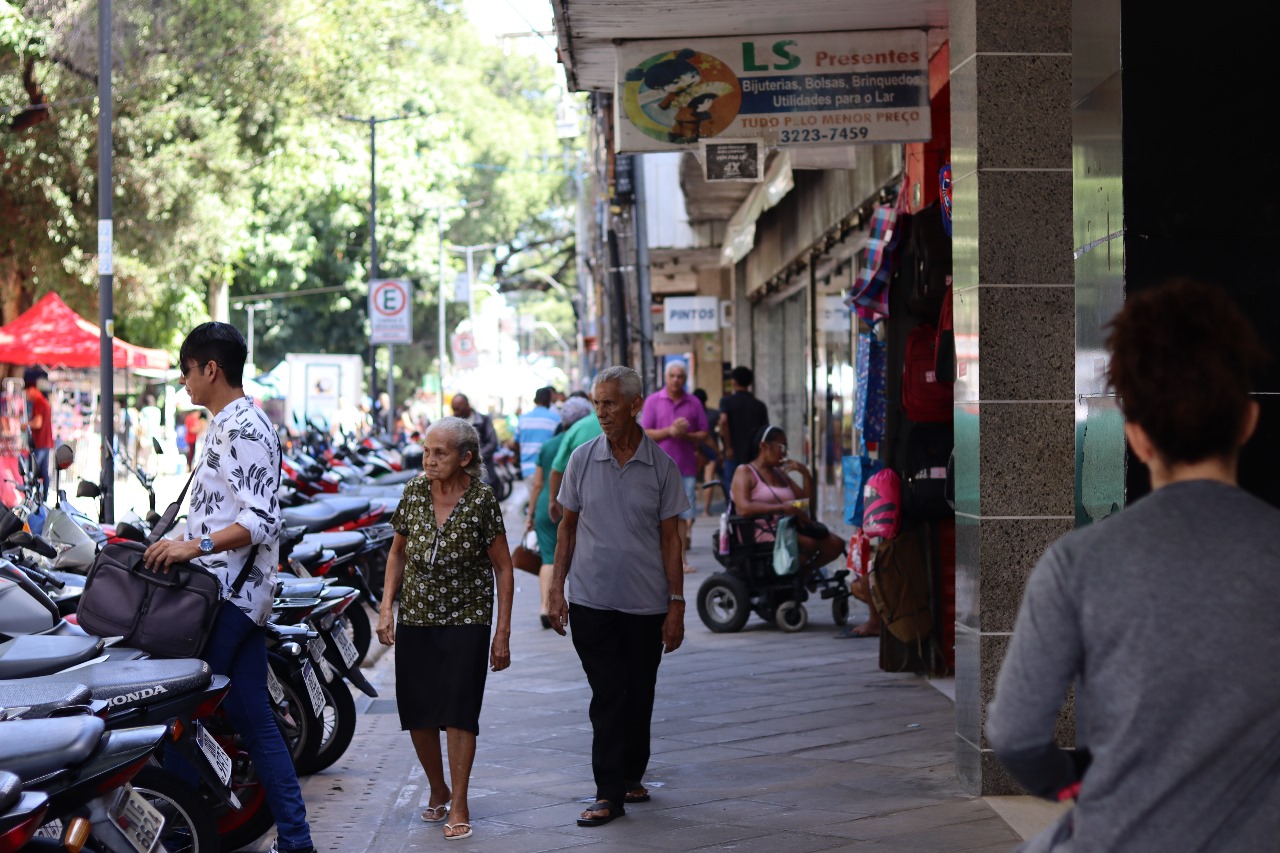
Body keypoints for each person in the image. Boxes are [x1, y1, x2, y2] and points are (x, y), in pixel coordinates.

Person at [987, 278, 1280, 852]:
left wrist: (1075, 783)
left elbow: (1015, 736)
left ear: (1137, 437)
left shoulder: (1077, 564)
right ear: (1248, 422)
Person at [143, 322, 318, 853]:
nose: (183, 378)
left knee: (178, 713)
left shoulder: (243, 427)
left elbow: (260, 520)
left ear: (211, 369)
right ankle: (295, 838)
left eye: (187, 368)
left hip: (229, 600)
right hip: (233, 595)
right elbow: (220, 511)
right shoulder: (226, 423)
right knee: (251, 719)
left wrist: (188, 548)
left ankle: (174, 835)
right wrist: (181, 536)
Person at [546, 366, 688, 828]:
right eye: (596, 403)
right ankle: (609, 791)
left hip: (646, 605)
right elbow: (566, 528)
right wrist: (556, 590)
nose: (601, 412)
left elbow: (672, 540)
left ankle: (630, 774)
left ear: (634, 404)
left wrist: (677, 604)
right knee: (608, 693)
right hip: (592, 600)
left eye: (609, 403)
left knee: (638, 692)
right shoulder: (583, 459)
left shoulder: (662, 468)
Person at [375, 416, 514, 842]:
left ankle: (460, 800)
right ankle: (438, 786)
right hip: (417, 617)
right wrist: (386, 609)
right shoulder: (414, 493)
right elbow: (397, 554)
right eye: (427, 451)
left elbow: (504, 568)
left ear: (465, 458)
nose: (430, 460)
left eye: (440, 453)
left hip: (467, 618)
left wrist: (502, 632)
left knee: (458, 711)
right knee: (418, 711)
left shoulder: (481, 500)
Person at [729, 424, 845, 576]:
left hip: (789, 528)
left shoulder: (780, 474)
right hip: (761, 531)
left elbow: (806, 503)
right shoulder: (745, 471)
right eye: (781, 447)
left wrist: (805, 474)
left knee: (836, 544)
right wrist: (783, 508)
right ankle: (792, 577)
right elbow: (744, 508)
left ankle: (805, 573)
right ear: (764, 446)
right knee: (809, 544)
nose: (783, 454)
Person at [524, 395, 593, 628]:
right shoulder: (588, 442)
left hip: (547, 503)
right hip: (574, 503)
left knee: (547, 556)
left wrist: (531, 513)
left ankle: (545, 606)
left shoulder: (548, 445)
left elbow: (537, 482)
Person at [639, 360, 708, 573]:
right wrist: (670, 431)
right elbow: (644, 432)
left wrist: (684, 434)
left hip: (685, 468)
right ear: (666, 378)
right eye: (673, 376)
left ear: (685, 380)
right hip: (656, 468)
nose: (676, 380)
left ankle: (680, 560)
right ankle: (658, 559)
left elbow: (704, 433)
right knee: (657, 516)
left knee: (682, 516)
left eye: (680, 376)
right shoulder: (653, 401)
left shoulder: (693, 403)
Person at [547, 393, 602, 525]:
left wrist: (553, 501)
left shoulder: (576, 430)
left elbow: (556, 470)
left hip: (584, 502)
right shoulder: (629, 424)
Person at [718, 366, 769, 496]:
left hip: (733, 453)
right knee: (753, 487)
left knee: (732, 487)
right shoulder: (759, 405)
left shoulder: (726, 401)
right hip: (753, 454)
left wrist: (728, 447)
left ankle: (735, 513)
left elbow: (723, 421)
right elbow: (765, 431)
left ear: (734, 382)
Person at [450, 393, 500, 492]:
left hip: (482, 470)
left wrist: (476, 457)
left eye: (457, 409)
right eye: (453, 409)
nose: (455, 412)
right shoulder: (452, 423)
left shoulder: (484, 420)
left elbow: (493, 443)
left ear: (467, 406)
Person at [514, 385, 560, 481]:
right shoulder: (556, 419)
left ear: (535, 400)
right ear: (549, 401)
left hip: (527, 469)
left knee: (532, 495)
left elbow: (516, 443)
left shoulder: (523, 419)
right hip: (548, 469)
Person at [691, 388, 721, 515]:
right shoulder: (714, 414)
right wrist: (718, 451)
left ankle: (689, 510)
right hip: (710, 450)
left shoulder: (692, 414)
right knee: (709, 479)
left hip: (694, 450)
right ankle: (706, 510)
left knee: (690, 481)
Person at [23, 367, 52, 495]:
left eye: (27, 393)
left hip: (40, 443)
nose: (27, 397)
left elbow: (37, 423)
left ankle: (34, 496)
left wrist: (24, 425)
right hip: (45, 442)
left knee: (33, 471)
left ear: (32, 390)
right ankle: (44, 495)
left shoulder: (39, 403)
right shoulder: (44, 402)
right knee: (44, 471)